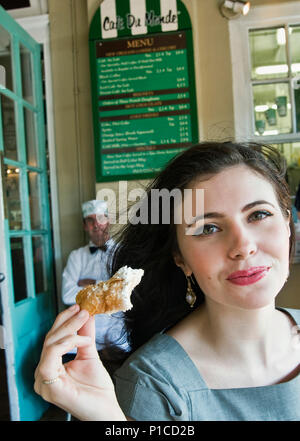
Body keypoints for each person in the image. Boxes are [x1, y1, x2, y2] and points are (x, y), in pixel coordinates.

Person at [34, 142, 300, 421]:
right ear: (180, 257)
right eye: (208, 228)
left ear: (286, 224)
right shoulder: (152, 386)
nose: (243, 246)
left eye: (259, 214)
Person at [61, 199, 128, 356]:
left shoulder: (123, 253)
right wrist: (108, 288)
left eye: (100, 218)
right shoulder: (76, 256)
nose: (96, 224)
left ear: (108, 222)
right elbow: (67, 295)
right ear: (85, 226)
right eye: (90, 220)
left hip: (116, 335)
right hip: (82, 336)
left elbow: (123, 293)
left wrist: (91, 283)